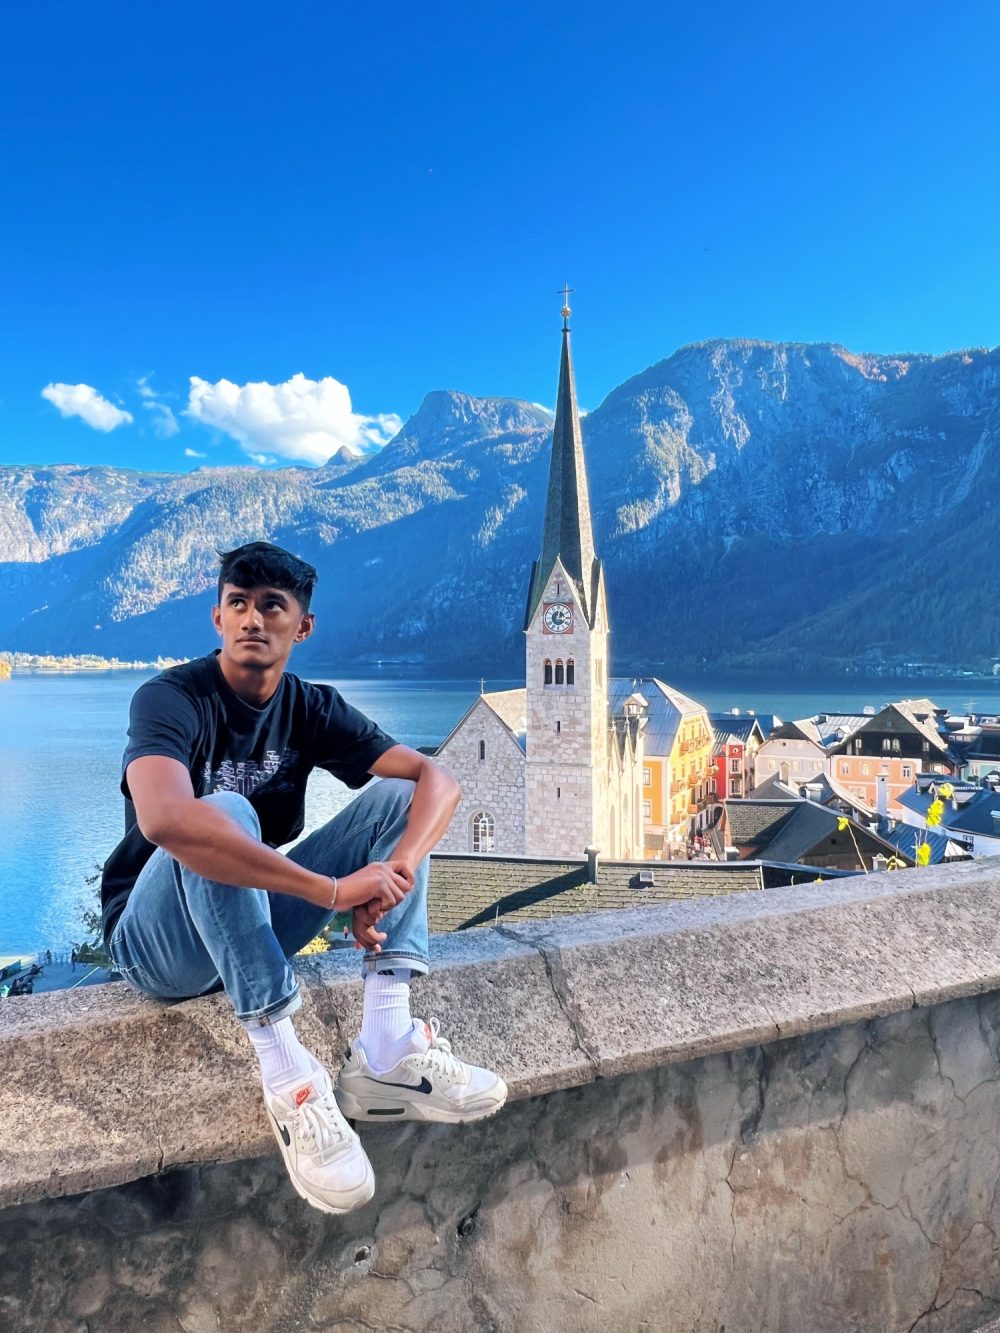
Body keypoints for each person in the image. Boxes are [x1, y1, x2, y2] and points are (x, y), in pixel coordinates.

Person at [100, 541, 506, 1216]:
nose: (252, 619)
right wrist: (332, 892)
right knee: (223, 812)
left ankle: (386, 1047)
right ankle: (289, 1077)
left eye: (271, 606)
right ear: (218, 618)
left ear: (302, 626)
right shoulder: (170, 698)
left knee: (399, 802)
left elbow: (439, 780)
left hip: (251, 922)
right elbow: (167, 819)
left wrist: (390, 877)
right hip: (158, 946)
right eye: (238, 604)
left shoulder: (311, 707)